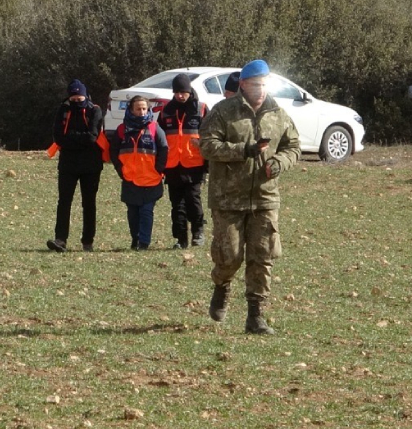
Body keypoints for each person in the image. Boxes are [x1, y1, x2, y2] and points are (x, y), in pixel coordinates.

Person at [198, 59, 300, 334]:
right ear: (243, 85)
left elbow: (293, 146)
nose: (260, 90)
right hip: (228, 197)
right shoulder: (224, 112)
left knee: (261, 256)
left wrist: (279, 162)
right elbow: (207, 146)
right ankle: (221, 285)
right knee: (229, 256)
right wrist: (244, 150)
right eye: (255, 85)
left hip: (265, 197)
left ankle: (256, 316)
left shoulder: (277, 112)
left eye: (264, 85)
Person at [47, 79, 105, 253]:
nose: (76, 103)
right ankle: (60, 239)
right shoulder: (63, 110)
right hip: (68, 165)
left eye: (79, 99)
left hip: (91, 165)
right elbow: (58, 137)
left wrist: (71, 139)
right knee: (64, 202)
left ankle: (88, 241)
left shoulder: (95, 110)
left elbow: (92, 137)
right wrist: (79, 139)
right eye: (73, 100)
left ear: (85, 96)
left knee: (89, 203)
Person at [110, 95, 168, 251]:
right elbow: (113, 150)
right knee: (133, 213)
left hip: (151, 179)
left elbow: (164, 148)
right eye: (138, 109)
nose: (142, 112)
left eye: (144, 108)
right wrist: (120, 169)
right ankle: (135, 239)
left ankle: (144, 243)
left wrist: (159, 168)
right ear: (131, 110)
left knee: (146, 211)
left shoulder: (155, 128)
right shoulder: (122, 130)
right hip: (130, 179)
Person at [160, 73, 209, 249]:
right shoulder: (166, 110)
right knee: (177, 204)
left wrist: (207, 162)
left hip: (194, 163)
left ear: (189, 91)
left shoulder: (201, 109)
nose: (180, 95)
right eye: (177, 92)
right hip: (172, 165)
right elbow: (160, 136)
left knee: (193, 200)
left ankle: (198, 232)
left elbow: (210, 136)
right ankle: (180, 239)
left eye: (183, 92)